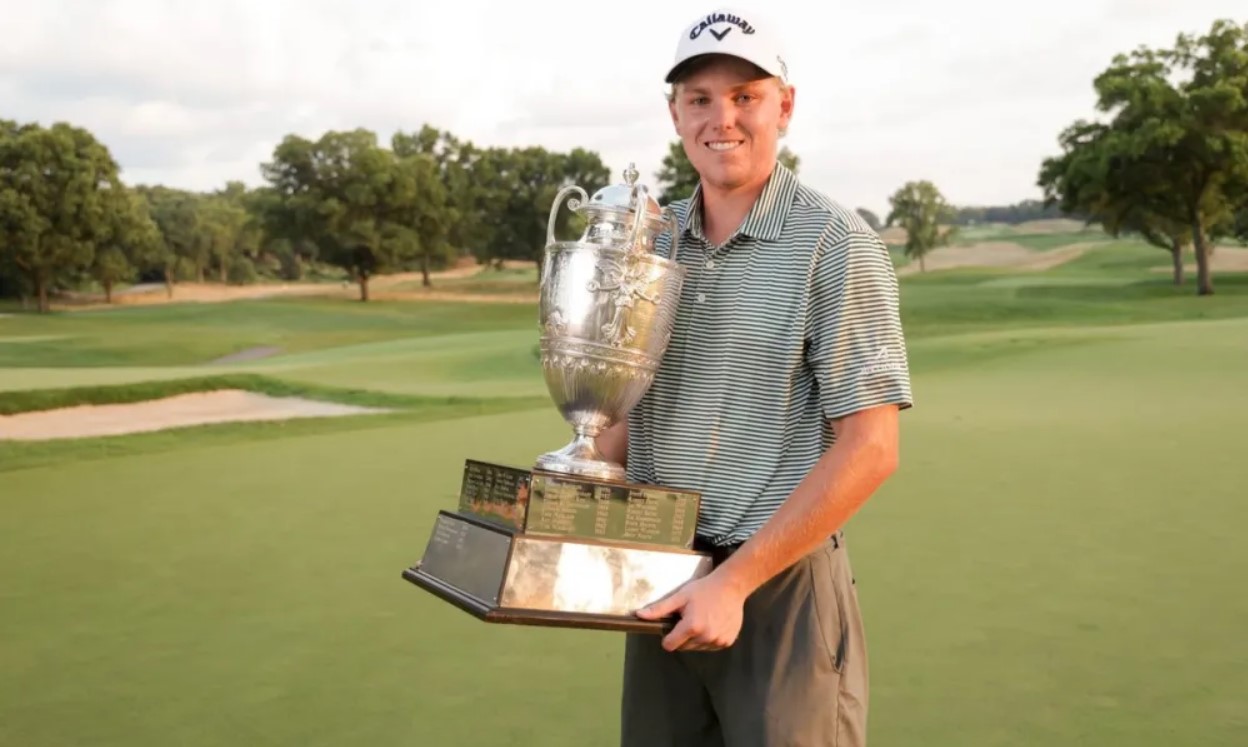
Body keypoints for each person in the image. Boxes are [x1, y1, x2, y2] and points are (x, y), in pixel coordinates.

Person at [594, 7, 914, 747]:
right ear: (674, 112)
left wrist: (733, 582)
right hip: (660, 573)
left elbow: (871, 446)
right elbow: (622, 414)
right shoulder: (652, 240)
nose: (722, 119)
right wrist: (565, 489)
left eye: (745, 96)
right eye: (700, 98)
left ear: (786, 106)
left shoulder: (835, 244)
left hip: (778, 588)